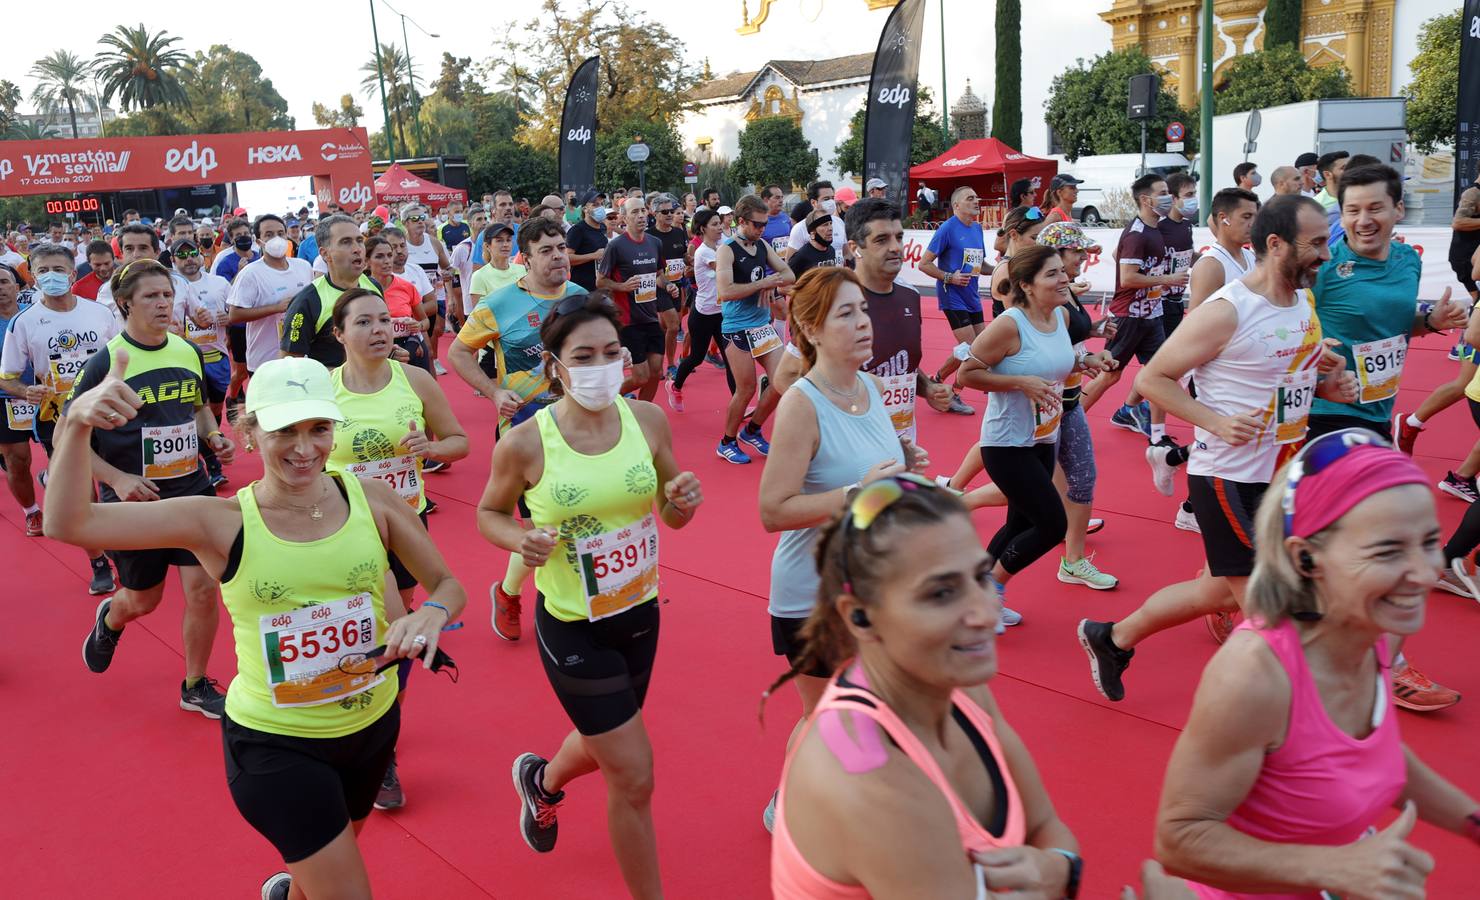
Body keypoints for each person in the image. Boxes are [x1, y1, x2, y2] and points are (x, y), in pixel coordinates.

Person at [46, 353, 466, 900]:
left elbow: (447, 586)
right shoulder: (216, 521)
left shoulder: (373, 499)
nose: (304, 447)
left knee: (318, 880)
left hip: (372, 727)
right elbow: (67, 522)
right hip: (277, 745)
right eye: (283, 430)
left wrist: (429, 614)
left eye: (319, 429)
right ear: (249, 432)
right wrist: (77, 423)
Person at [1155, 430, 1480, 898]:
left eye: (1430, 542)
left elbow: (1373, 755)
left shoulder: (1380, 631)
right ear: (1306, 558)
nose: (1424, 571)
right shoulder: (1255, 675)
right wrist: (1334, 868)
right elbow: (1180, 838)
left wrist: (1473, 823)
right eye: (1387, 550)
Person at [1078, 195, 1357, 703]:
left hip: (1281, 477)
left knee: (1213, 592)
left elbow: (1284, 377)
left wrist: (1325, 385)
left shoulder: (1301, 300)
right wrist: (1217, 421)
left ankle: (1111, 638)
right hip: (1228, 479)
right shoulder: (1228, 310)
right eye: (1316, 243)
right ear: (1275, 245)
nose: (1327, 254)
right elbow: (1154, 377)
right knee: (1275, 616)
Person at [476, 293, 702, 898]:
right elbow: (489, 513)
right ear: (555, 366)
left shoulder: (648, 421)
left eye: (611, 352)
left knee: (609, 738)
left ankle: (543, 781)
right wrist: (519, 542)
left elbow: (669, 513)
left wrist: (680, 501)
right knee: (634, 776)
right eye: (584, 356)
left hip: (640, 612)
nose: (601, 366)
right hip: (573, 624)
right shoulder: (526, 442)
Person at [767, 475, 1084, 899]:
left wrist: (1058, 870)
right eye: (941, 593)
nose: (985, 613)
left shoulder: (958, 688)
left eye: (980, 577)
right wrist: (1057, 872)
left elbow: (1047, 826)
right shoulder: (868, 778)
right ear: (859, 616)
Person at [758, 265, 926, 830]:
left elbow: (875, 472)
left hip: (872, 586)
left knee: (874, 711)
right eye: (845, 314)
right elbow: (772, 510)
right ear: (808, 327)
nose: (864, 322)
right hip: (812, 596)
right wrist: (857, 493)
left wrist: (907, 463)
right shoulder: (800, 403)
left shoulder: (872, 386)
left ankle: (854, 809)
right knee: (824, 715)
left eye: (863, 309)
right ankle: (788, 806)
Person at [70, 258, 236, 718]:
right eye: (152, 297)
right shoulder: (106, 362)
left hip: (192, 489)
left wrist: (213, 436)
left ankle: (196, 684)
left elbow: (199, 407)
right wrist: (118, 479)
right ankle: (110, 618)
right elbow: (70, 440)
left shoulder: (185, 349)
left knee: (204, 589)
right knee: (145, 599)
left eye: (168, 295)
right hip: (134, 502)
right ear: (124, 304)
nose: (164, 303)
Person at [327, 286, 469, 808]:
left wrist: (431, 448)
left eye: (385, 320)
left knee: (397, 632)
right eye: (363, 322)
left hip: (406, 527)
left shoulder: (416, 380)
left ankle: (379, 741)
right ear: (339, 334)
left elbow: (460, 440)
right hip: (342, 531)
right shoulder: (321, 389)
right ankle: (367, 738)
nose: (379, 330)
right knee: (376, 629)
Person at [960, 244, 1113, 626]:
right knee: (1051, 525)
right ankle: (990, 592)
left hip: (1044, 437)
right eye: (1053, 274)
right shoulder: (1010, 323)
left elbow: (1058, 357)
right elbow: (966, 374)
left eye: (1063, 271)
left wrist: (1087, 359)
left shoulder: (1058, 316)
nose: (1064, 278)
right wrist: (1020, 383)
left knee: (1019, 524)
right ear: (1027, 285)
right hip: (1007, 443)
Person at [449, 217, 585, 641]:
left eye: (561, 247)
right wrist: (492, 392)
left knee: (578, 516)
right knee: (542, 527)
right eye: (547, 250)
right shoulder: (500, 303)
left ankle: (577, 595)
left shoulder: (582, 298)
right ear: (524, 259)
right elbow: (458, 353)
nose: (559, 256)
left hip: (579, 425)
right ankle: (510, 594)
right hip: (524, 430)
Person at [0, 243, 119, 592]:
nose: (51, 277)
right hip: (59, 419)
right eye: (42, 271)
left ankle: (119, 541)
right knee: (83, 492)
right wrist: (26, 391)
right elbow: (7, 375)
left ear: (72, 273)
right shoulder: (24, 322)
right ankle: (98, 562)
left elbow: (120, 358)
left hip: (105, 409)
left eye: (57, 270)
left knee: (113, 484)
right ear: (33, 278)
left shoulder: (99, 313)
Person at [1148, 187, 1262, 532]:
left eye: (1256, 217)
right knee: (1221, 441)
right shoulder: (1212, 265)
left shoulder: (1249, 258)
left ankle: (1170, 461)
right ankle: (1191, 508)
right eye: (1246, 217)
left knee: (1227, 441)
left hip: (1242, 364)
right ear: (1223, 220)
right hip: (1215, 370)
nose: (1252, 224)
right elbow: (1196, 324)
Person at [1037, 222, 1121, 590]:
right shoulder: (1043, 301)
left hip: (1067, 403)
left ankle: (1073, 560)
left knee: (1081, 480)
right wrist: (1087, 359)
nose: (1084, 257)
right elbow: (1040, 354)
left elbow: (1069, 342)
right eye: (1077, 252)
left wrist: (1094, 334)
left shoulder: (1067, 292)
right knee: (1024, 493)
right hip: (1042, 407)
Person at [1080, 174, 1186, 440]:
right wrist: (1166, 279)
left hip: (1152, 314)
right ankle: (1068, 426)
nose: (1168, 198)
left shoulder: (1154, 228)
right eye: (1162, 193)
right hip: (1128, 316)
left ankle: (1156, 434)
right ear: (1146, 199)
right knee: (1109, 376)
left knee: (1162, 375)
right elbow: (1127, 278)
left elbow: (1119, 256)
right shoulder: (1138, 233)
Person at [716, 194, 797, 463]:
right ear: (742, 221)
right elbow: (725, 291)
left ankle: (752, 430)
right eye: (757, 224)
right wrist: (762, 285)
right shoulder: (727, 250)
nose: (762, 229)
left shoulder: (762, 245)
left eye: (764, 224)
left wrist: (771, 283)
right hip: (737, 328)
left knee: (782, 381)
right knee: (746, 389)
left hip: (762, 326)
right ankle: (726, 441)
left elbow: (789, 275)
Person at [597, 196, 679, 402]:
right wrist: (622, 287)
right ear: (624, 217)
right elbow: (600, 281)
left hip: (651, 317)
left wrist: (668, 285)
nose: (641, 215)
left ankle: (644, 412)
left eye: (643, 210)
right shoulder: (616, 246)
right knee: (640, 377)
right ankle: (605, 400)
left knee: (655, 373)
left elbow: (659, 274)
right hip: (628, 321)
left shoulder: (655, 243)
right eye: (635, 212)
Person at [170, 237, 234, 487]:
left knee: (212, 411)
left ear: (200, 255)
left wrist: (222, 317)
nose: (188, 259)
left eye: (192, 253)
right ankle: (212, 465)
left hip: (216, 356)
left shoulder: (218, 283)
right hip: (184, 359)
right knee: (192, 410)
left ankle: (211, 446)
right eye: (181, 255)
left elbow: (234, 313)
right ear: (172, 259)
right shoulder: (171, 285)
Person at [281, 215, 382, 369]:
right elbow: (290, 364)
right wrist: (345, 376)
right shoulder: (307, 301)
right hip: (331, 391)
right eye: (346, 242)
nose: (357, 249)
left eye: (359, 241)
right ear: (325, 254)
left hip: (379, 386)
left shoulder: (374, 286)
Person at [919, 186, 987, 414]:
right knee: (971, 349)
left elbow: (980, 265)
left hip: (973, 297)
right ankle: (954, 394)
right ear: (957, 205)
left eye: (976, 197)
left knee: (983, 347)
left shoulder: (977, 228)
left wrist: (1004, 270)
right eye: (970, 198)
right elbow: (924, 263)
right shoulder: (947, 229)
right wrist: (950, 277)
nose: (976, 200)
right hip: (952, 296)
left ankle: (937, 378)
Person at [228, 225, 316, 385]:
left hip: (300, 356)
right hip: (265, 359)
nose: (276, 239)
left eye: (280, 233)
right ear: (259, 240)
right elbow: (234, 315)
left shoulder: (303, 267)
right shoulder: (250, 273)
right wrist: (276, 308)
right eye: (269, 234)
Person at [667, 208, 732, 413]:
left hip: (722, 314)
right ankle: (675, 386)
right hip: (702, 315)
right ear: (703, 229)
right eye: (714, 224)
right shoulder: (704, 251)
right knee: (696, 356)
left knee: (730, 359)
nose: (720, 227)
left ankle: (738, 404)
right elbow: (726, 267)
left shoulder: (723, 245)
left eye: (719, 223)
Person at [0, 262, 40, 535]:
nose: (0, 289)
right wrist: (21, 390)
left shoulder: (34, 316)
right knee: (17, 460)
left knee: (63, 455)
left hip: (46, 397)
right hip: (6, 400)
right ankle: (32, 512)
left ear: (17, 287)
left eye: (4, 282)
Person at [400, 205, 454, 375]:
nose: (420, 222)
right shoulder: (401, 244)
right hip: (409, 296)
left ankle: (434, 358)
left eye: (422, 217)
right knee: (419, 334)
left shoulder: (433, 242)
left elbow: (448, 267)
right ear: (405, 223)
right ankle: (425, 362)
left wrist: (447, 275)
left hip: (432, 294)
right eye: (414, 219)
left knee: (437, 330)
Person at [364, 235, 431, 372]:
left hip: (410, 349)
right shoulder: (360, 290)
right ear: (367, 261)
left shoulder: (406, 287)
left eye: (389, 255)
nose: (387, 261)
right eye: (379, 256)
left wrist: (418, 325)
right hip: (375, 352)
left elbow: (425, 321)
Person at [648, 194, 690, 381]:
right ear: (654, 213)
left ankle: (656, 361)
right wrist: (666, 283)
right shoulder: (650, 236)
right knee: (673, 326)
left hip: (678, 284)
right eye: (664, 212)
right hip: (658, 286)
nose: (669, 215)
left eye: (671, 211)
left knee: (666, 327)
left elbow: (683, 257)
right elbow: (653, 267)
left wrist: (693, 261)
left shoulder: (679, 232)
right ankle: (671, 364)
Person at [1159, 173, 1198, 340]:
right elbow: (1122, 255)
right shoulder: (1159, 226)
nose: (1194, 199)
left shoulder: (1187, 226)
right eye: (1189, 195)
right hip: (1158, 303)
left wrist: (1215, 260)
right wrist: (1157, 282)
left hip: (1178, 301)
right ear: (1173, 199)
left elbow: (1188, 256)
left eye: (1194, 194)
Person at [467, 223, 526, 309]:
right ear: (487, 246)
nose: (505, 244)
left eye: (508, 240)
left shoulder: (523, 270)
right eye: (499, 240)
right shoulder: (479, 277)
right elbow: (479, 317)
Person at [448, 202, 489, 325]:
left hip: (491, 302)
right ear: (470, 223)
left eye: (485, 218)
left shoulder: (493, 245)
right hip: (471, 305)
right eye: (479, 219)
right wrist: (451, 298)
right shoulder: (463, 248)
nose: (484, 222)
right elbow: (448, 273)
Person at [787, 181, 848, 263]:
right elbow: (790, 263)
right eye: (826, 199)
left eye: (832, 198)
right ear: (813, 202)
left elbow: (846, 254)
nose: (831, 202)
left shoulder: (839, 222)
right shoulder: (800, 228)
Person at [565, 191, 608, 292]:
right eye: (595, 205)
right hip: (582, 288)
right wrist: (593, 255)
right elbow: (567, 258)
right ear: (585, 209)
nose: (600, 208)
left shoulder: (603, 227)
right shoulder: (577, 230)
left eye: (602, 204)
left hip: (600, 286)